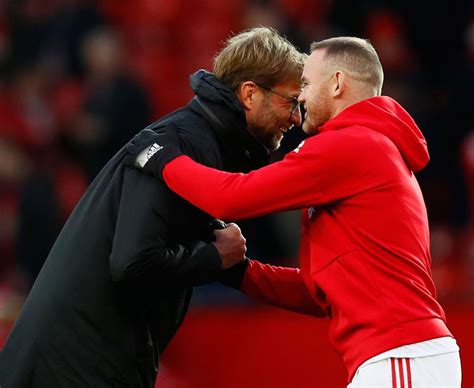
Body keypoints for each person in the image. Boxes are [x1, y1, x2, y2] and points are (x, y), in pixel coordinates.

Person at [128, 37, 462, 387]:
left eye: (305, 83)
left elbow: (231, 198)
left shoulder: (351, 145)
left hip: (401, 356)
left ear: (336, 83)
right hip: (401, 358)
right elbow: (318, 293)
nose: (300, 97)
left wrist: (161, 158)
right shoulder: (369, 148)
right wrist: (236, 271)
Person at [0, 27, 306, 387]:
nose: (297, 118)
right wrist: (213, 257)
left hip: (86, 357)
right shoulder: (183, 143)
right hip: (76, 363)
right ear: (250, 94)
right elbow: (133, 261)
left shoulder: (199, 140)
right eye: (289, 102)